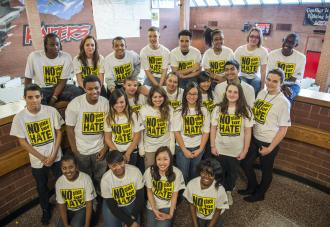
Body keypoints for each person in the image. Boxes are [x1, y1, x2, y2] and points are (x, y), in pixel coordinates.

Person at [10, 84, 64, 225]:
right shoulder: (19, 118)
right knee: (41, 187)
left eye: (37, 97)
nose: (34, 100)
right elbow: (23, 142)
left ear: (42, 97)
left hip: (56, 156)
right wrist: (41, 157)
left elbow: (59, 132)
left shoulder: (51, 111)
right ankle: (46, 210)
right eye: (30, 97)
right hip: (37, 160)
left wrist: (53, 155)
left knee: (63, 182)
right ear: (24, 98)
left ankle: (67, 205)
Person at [240, 69, 291, 202]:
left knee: (266, 170)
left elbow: (283, 129)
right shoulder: (262, 92)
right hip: (255, 138)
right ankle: (252, 187)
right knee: (245, 163)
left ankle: (260, 194)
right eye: (268, 79)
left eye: (275, 81)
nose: (270, 83)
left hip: (268, 142)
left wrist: (270, 148)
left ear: (281, 83)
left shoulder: (283, 102)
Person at [210, 83, 253, 205]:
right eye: (230, 91)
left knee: (232, 174)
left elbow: (248, 132)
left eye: (235, 92)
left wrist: (245, 151)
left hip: (236, 150)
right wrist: (212, 146)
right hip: (220, 148)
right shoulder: (218, 109)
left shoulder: (246, 110)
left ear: (240, 95)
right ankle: (219, 192)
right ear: (225, 93)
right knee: (219, 172)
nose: (232, 94)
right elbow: (213, 128)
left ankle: (228, 191)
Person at [65, 75, 109, 194]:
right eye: (90, 89)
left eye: (96, 88)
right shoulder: (75, 104)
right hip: (81, 151)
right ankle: (91, 201)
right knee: (86, 179)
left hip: (99, 149)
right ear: (84, 89)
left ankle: (101, 199)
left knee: (100, 177)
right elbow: (69, 128)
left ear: (101, 87)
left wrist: (105, 148)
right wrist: (75, 150)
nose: (94, 91)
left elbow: (108, 129)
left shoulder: (105, 103)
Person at [25, 33, 80, 106]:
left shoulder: (66, 57)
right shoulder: (34, 56)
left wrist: (53, 98)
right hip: (41, 89)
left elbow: (63, 81)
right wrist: (27, 96)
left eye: (57, 44)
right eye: (52, 45)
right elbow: (28, 78)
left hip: (60, 88)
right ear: (46, 46)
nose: (56, 47)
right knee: (38, 101)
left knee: (78, 92)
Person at [172, 81, 210, 183]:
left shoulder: (204, 110)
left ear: (198, 95)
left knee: (195, 173)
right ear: (185, 95)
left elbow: (206, 132)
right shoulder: (179, 111)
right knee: (183, 173)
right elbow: (176, 132)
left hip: (198, 146)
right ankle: (182, 193)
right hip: (182, 147)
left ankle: (191, 192)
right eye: (189, 93)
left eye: (194, 94)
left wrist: (201, 149)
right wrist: (184, 150)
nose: (192, 97)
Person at [144, 146, 185, 227]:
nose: (162, 163)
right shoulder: (149, 171)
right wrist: (155, 210)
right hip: (152, 205)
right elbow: (149, 191)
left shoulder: (177, 173)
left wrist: (170, 214)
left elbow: (175, 194)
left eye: (165, 159)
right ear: (155, 160)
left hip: (167, 205)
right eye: (159, 159)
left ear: (170, 159)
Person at [101, 150, 144, 227]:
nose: (118, 167)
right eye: (114, 165)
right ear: (109, 165)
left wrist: (132, 218)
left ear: (124, 161)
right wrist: (129, 221)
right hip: (114, 204)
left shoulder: (135, 172)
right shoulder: (105, 180)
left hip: (132, 202)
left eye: (120, 163)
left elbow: (140, 198)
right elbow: (112, 206)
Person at [184, 159, 229, 227]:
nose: (206, 176)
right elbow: (192, 205)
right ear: (200, 172)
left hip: (215, 216)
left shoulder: (220, 190)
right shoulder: (191, 185)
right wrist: (196, 225)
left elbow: (218, 211)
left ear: (216, 175)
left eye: (211, 174)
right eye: (204, 173)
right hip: (199, 216)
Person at [104, 89, 144, 166]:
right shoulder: (108, 117)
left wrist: (128, 153)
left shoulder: (134, 115)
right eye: (116, 102)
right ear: (111, 103)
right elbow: (107, 139)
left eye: (122, 102)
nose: (119, 105)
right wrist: (119, 154)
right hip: (115, 152)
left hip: (131, 151)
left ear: (126, 102)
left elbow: (137, 136)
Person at [56, 154, 96, 227]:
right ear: (61, 168)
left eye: (71, 167)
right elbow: (62, 206)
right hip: (69, 209)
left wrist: (87, 225)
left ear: (76, 167)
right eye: (64, 168)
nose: (68, 171)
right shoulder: (59, 182)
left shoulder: (86, 179)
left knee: (76, 225)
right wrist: (66, 224)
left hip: (83, 208)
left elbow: (89, 204)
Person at [140, 86, 174, 169]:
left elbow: (171, 130)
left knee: (165, 170)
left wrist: (172, 146)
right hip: (149, 147)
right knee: (149, 171)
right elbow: (141, 131)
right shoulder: (144, 109)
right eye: (155, 97)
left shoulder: (169, 109)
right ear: (150, 97)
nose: (158, 99)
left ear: (164, 97)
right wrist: (141, 147)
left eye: (160, 97)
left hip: (165, 145)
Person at [267, 33, 306, 102]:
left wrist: (283, 85)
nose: (287, 44)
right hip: (275, 82)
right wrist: (281, 85)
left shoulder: (301, 58)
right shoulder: (272, 54)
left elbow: (294, 79)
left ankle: (284, 112)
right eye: (286, 41)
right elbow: (270, 75)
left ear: (296, 45)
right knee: (270, 97)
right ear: (283, 40)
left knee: (287, 96)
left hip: (293, 84)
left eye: (291, 42)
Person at [234, 27, 268, 95]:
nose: (253, 39)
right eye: (251, 36)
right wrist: (234, 82)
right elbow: (235, 68)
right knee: (243, 88)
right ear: (248, 37)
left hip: (255, 77)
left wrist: (262, 88)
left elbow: (263, 71)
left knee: (255, 85)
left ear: (259, 39)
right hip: (242, 76)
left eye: (257, 37)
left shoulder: (263, 51)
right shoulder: (240, 50)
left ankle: (252, 104)